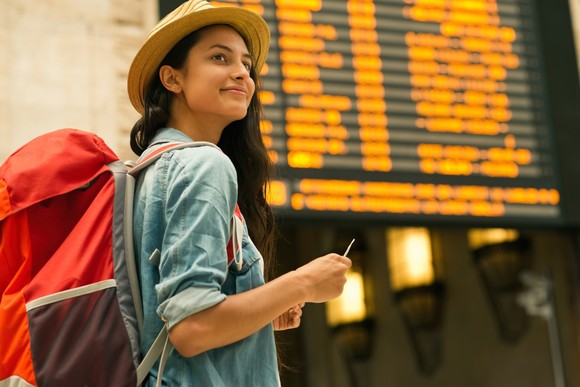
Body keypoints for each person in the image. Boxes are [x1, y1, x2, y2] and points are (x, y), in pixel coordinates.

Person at [127, 0, 352, 386]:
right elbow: (192, 328)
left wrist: (264, 309)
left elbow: (169, 319)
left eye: (246, 65)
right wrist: (302, 283)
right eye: (219, 57)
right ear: (172, 79)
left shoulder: (147, 171)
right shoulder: (204, 165)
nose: (241, 75)